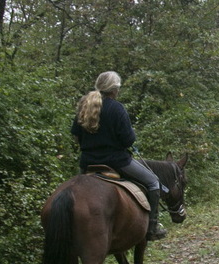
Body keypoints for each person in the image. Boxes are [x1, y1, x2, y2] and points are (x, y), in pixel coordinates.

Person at [71, 71, 167, 241]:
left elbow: (76, 136)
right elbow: (128, 140)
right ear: (114, 90)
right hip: (117, 161)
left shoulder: (84, 106)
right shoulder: (117, 108)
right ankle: (152, 228)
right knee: (153, 182)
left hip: (87, 163)